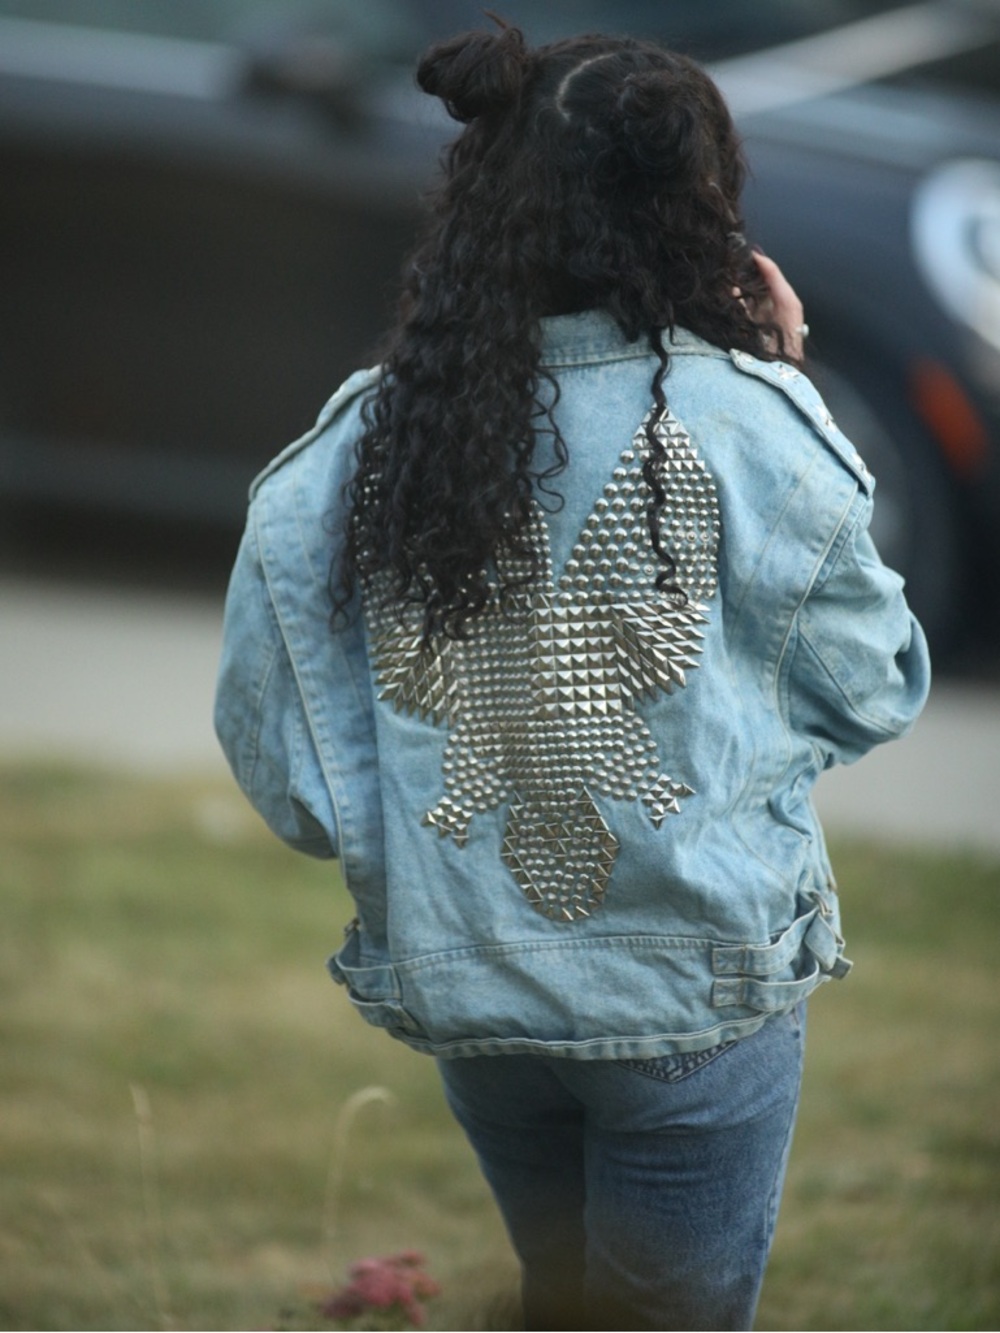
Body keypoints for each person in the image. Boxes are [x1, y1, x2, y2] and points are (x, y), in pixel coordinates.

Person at [214, 21, 930, 1331]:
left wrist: (417, 834)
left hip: (481, 1001)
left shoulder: (362, 445)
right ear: (698, 212)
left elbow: (298, 787)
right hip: (692, 1001)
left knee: (567, 1307)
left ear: (483, 199)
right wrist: (788, 386)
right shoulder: (745, 423)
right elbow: (874, 686)